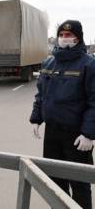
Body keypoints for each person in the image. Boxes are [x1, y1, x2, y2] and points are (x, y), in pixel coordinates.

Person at [30, 20, 95, 209]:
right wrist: (37, 118)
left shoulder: (88, 65)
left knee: (79, 183)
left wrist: (89, 134)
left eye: (69, 35)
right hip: (53, 133)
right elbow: (41, 94)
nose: (65, 38)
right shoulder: (49, 61)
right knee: (54, 182)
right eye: (62, 35)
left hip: (77, 136)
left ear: (78, 38)